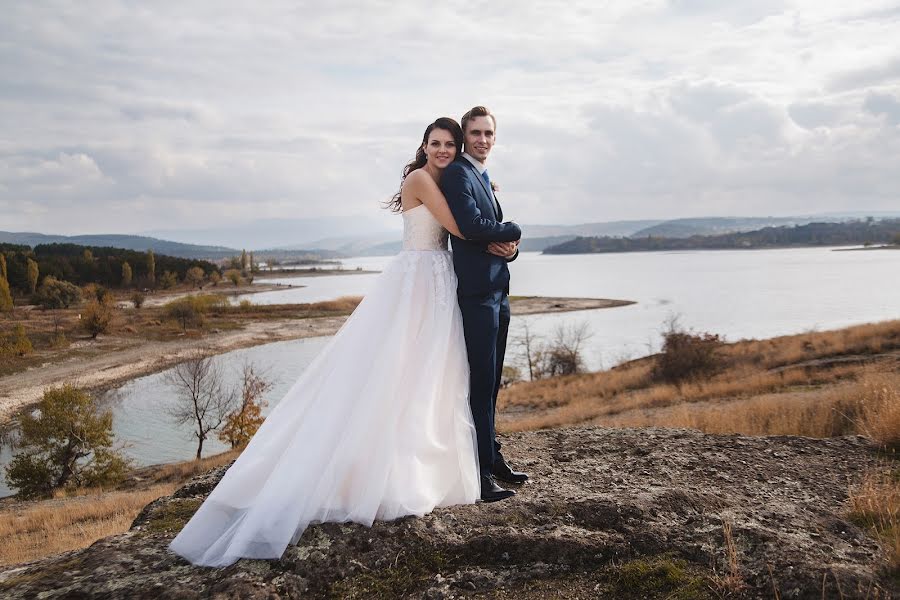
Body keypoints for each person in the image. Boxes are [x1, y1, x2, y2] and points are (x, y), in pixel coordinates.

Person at [168, 117, 521, 568]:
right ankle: (384, 469)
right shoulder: (421, 179)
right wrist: (506, 230)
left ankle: (433, 460)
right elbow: (463, 229)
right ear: (424, 145)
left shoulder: (449, 177)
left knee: (432, 372)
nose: (443, 150)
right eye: (436, 143)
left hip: (438, 279)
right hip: (418, 279)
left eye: (449, 144)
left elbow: (471, 225)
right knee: (397, 367)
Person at [440, 106, 529, 503]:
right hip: (476, 296)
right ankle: (478, 476)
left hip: (498, 292)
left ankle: (492, 457)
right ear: (465, 135)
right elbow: (473, 227)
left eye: (488, 134)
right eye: (475, 133)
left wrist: (509, 251)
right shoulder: (458, 173)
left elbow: (490, 240)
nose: (482, 140)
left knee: (492, 383)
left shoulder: (482, 174)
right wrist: (515, 230)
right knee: (478, 385)